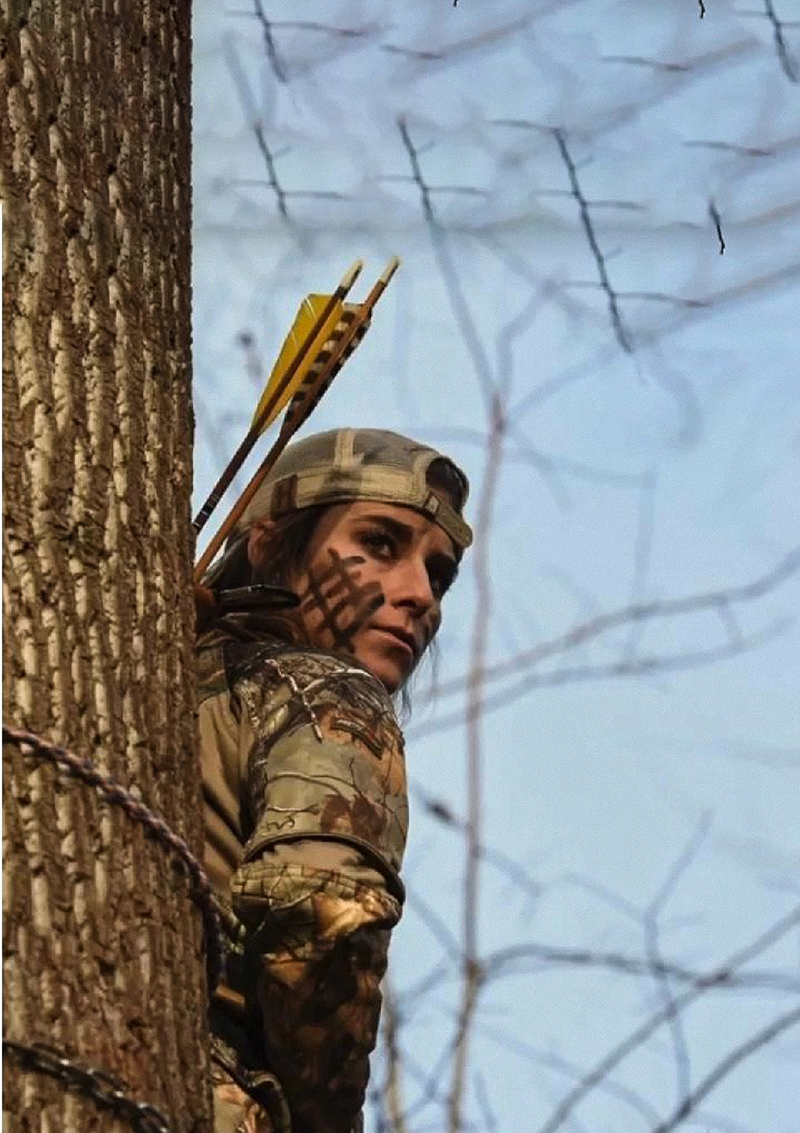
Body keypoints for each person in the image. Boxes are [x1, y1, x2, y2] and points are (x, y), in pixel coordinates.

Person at [196, 428, 472, 1133]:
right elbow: (322, 919)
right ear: (269, 545)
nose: (420, 596)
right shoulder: (329, 694)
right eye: (380, 542)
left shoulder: (151, 684)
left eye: (438, 576)